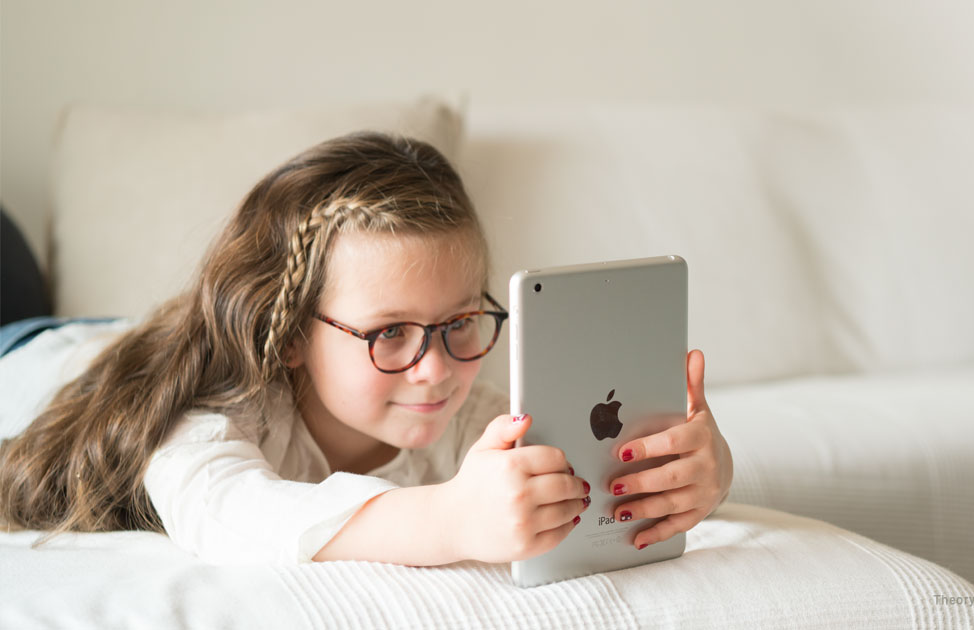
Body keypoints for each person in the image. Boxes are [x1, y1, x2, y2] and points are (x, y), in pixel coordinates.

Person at [0, 131, 733, 565]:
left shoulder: (477, 420)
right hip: (31, 348)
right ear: (288, 336)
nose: (437, 370)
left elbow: (582, 487)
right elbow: (225, 512)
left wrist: (700, 475)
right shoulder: (212, 408)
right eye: (390, 333)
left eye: (459, 323)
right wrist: (449, 521)